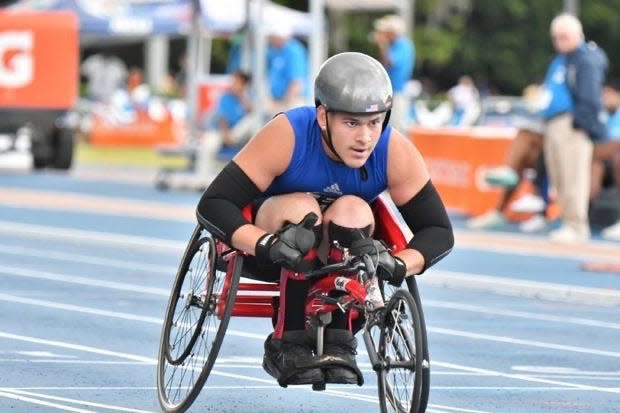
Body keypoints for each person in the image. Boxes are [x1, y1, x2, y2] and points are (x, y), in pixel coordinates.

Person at [196, 52, 454, 386]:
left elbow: (437, 230)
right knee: (304, 210)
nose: (365, 138)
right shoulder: (288, 133)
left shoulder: (393, 151)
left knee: (354, 209)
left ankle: (339, 341)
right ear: (323, 116)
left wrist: (399, 264)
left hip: (343, 248)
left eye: (374, 122)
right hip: (269, 246)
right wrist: (264, 244)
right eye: (351, 123)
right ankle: (285, 341)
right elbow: (214, 203)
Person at [543, 13, 608, 243]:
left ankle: (576, 225)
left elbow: (590, 96)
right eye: (557, 37)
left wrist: (580, 123)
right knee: (559, 176)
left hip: (571, 125)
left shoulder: (585, 59)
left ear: (577, 35)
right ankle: (566, 221)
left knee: (573, 176)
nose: (560, 41)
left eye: (564, 36)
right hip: (554, 123)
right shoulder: (562, 59)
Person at [372, 14, 415, 133]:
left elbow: (391, 62)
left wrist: (382, 45)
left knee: (396, 126)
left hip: (398, 91)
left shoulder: (403, 45)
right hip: (390, 91)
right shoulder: (394, 46)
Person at [593, 80, 620, 240]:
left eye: (608, 94)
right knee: (593, 165)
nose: (605, 98)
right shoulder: (599, 115)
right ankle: (578, 217)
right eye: (602, 95)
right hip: (603, 162)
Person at [265, 24, 308, 116]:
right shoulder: (276, 51)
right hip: (278, 100)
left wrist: (287, 103)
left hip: (290, 101)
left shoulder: (293, 51)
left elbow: (296, 81)